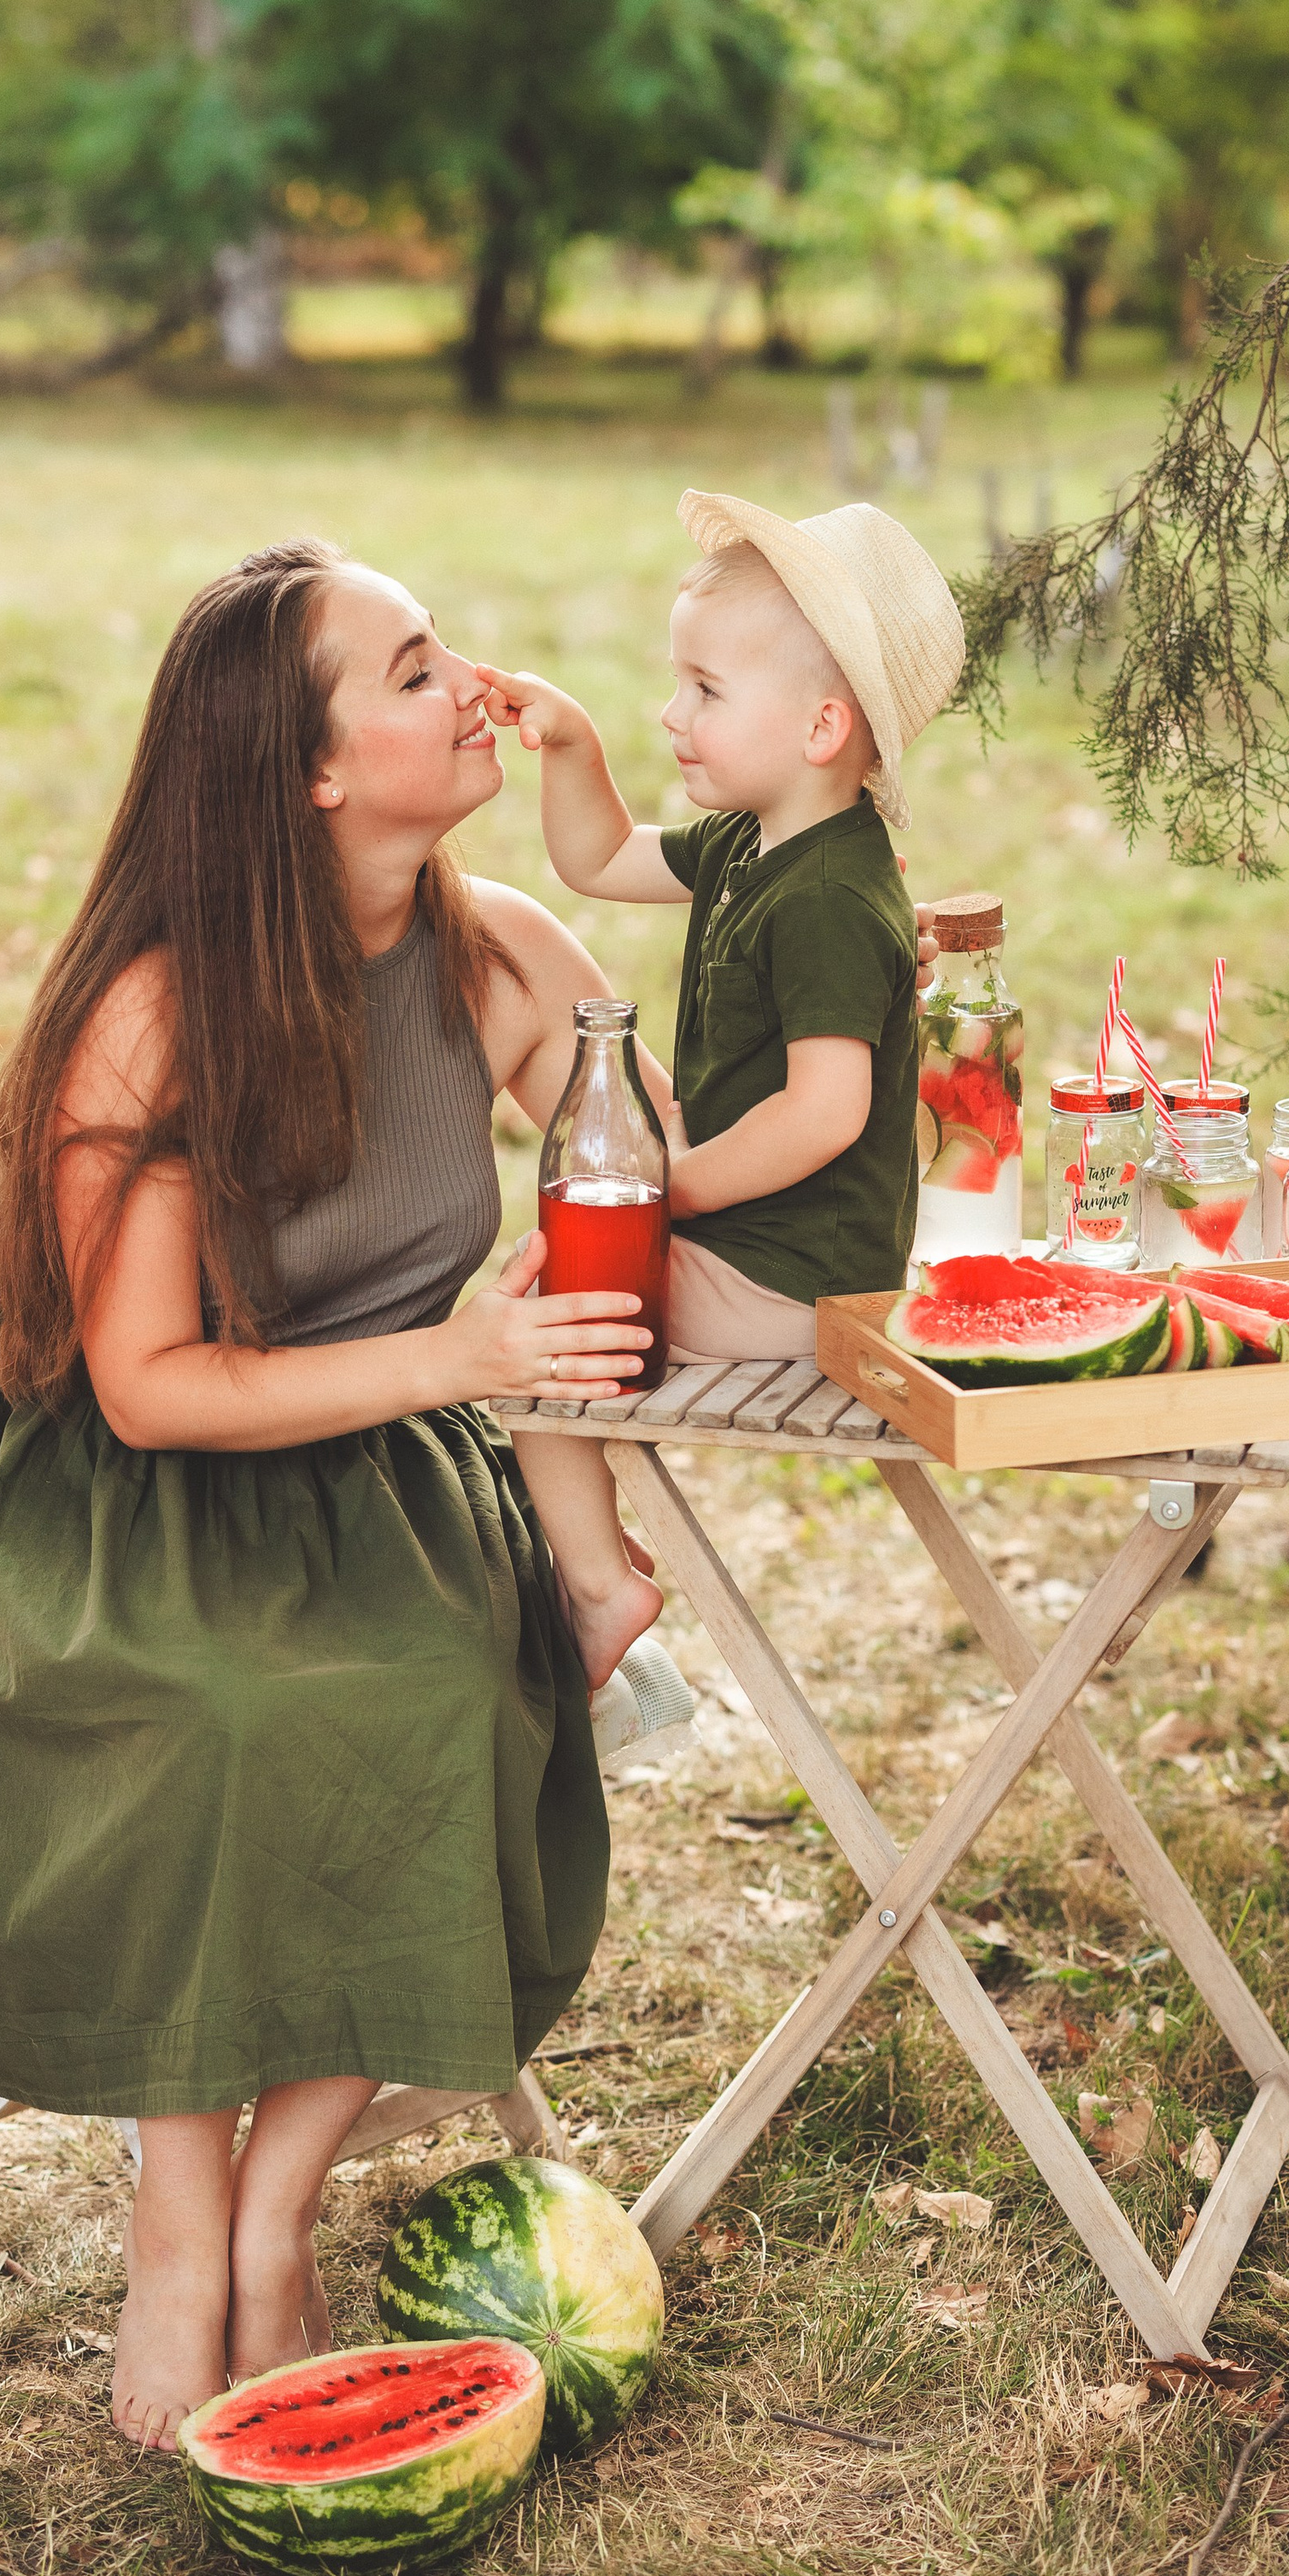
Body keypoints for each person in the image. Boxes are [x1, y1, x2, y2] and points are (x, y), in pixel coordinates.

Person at [0, 538, 668, 2455]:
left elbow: (657, 1193)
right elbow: (150, 1382)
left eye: (447, 648)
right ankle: (175, 2214)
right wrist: (464, 1354)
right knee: (221, 1715)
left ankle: (268, 2211)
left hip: (369, 1475)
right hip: (107, 1497)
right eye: (413, 670)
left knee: (440, 1695)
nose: (473, 683)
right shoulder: (158, 1014)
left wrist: (847, 987)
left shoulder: (506, 959)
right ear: (310, 772)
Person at [476, 488, 961, 1693]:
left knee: (535, 1329)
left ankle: (600, 1587)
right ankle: (594, 1557)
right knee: (548, 1299)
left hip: (789, 1276)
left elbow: (826, 1111)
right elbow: (599, 859)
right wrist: (574, 749)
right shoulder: (757, 842)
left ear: (820, 727)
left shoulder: (833, 900)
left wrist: (666, 1189)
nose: (672, 713)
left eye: (705, 689)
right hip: (756, 1245)